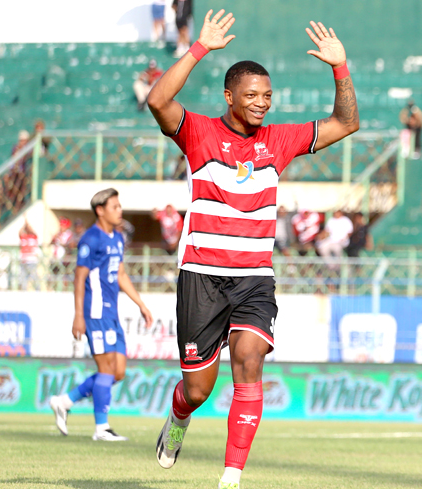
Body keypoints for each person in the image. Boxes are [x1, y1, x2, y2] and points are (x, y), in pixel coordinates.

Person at [146, 11, 358, 488]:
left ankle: (231, 477)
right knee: (198, 390)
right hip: (201, 276)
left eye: (267, 96)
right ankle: (179, 417)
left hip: (255, 279)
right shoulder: (199, 133)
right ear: (229, 97)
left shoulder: (279, 139)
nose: (262, 104)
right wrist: (199, 48)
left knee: (249, 362)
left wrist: (339, 68)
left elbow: (347, 122)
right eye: (252, 96)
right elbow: (158, 99)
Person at [49, 188, 153, 441]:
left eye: (119, 206)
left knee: (117, 372)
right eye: (115, 207)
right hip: (94, 313)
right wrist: (78, 316)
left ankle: (65, 401)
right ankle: (101, 428)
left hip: (113, 313)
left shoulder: (117, 238)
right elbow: (79, 277)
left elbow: (120, 274)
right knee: (106, 369)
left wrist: (141, 304)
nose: (120, 211)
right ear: (100, 210)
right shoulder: (90, 239)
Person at [19, 220, 39, 290]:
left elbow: (33, 232)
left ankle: (37, 290)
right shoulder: (23, 237)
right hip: (24, 260)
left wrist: (28, 225)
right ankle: (23, 290)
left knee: (34, 277)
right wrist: (24, 225)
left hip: (32, 260)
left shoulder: (34, 237)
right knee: (23, 278)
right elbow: (20, 233)